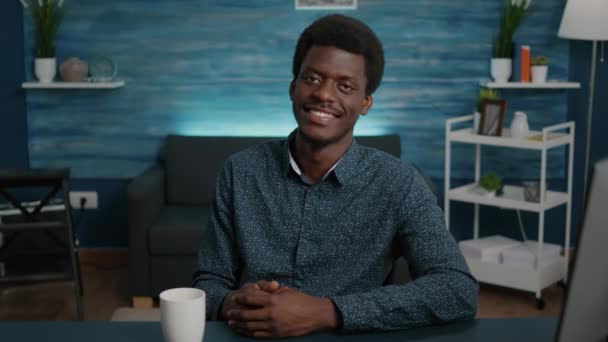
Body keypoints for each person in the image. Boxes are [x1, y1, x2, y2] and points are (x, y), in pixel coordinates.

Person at [193, 14, 478, 338]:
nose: (324, 94)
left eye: (345, 86)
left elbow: (457, 290)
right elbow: (209, 283)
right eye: (312, 79)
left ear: (365, 102)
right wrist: (231, 302)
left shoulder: (400, 184)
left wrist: (326, 312)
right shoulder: (239, 172)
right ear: (293, 87)